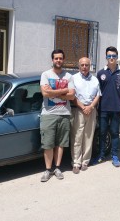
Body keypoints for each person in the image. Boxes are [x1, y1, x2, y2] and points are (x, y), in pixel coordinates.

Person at [39, 49, 75, 182]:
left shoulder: (69, 76)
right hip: (48, 114)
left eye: (60, 58)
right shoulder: (46, 74)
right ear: (52, 60)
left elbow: (71, 96)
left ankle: (57, 168)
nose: (58, 60)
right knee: (48, 144)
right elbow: (45, 94)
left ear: (63, 60)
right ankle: (48, 170)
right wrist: (64, 90)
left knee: (61, 143)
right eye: (56, 58)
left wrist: (54, 92)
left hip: (64, 114)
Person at [95, 46, 120, 167]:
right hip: (103, 108)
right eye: (109, 56)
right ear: (106, 57)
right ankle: (101, 155)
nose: (111, 58)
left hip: (117, 108)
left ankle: (114, 155)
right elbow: (97, 92)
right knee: (102, 132)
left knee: (114, 132)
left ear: (117, 57)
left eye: (113, 56)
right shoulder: (100, 73)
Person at [70, 57, 101, 174]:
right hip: (78, 110)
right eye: (82, 65)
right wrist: (83, 107)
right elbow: (72, 96)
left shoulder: (95, 79)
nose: (84, 67)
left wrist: (91, 107)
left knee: (88, 137)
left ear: (90, 66)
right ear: (79, 66)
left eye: (86, 65)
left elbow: (98, 95)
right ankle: (76, 163)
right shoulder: (74, 78)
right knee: (77, 137)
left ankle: (85, 161)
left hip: (91, 110)